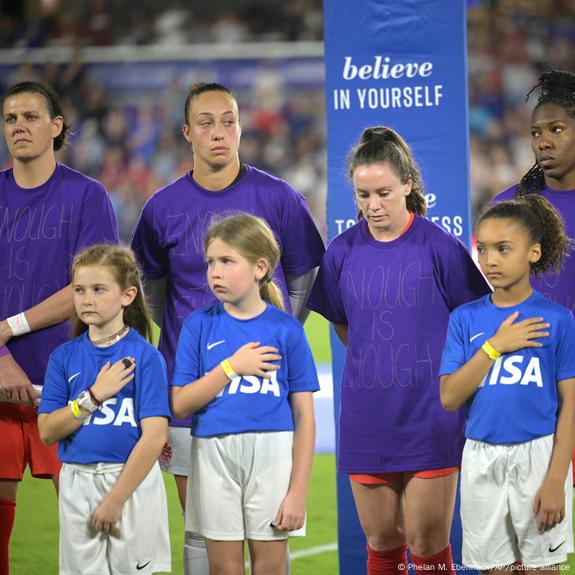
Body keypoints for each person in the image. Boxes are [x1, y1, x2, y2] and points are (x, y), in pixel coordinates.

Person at [130, 81, 324, 573]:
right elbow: (149, 290)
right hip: (188, 386)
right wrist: (191, 340)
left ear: (241, 127)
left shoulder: (279, 197)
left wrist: (276, 330)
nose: (220, 132)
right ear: (187, 132)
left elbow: (305, 275)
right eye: (207, 123)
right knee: (201, 531)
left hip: (262, 388)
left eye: (229, 121)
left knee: (266, 537)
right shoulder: (161, 207)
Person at [307, 126, 491, 575]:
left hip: (431, 418)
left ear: (408, 185)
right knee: (382, 542)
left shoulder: (441, 247)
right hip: (367, 419)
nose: (372, 205)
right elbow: (346, 327)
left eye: (384, 193)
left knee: (429, 545)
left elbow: (474, 325)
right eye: (363, 194)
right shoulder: (341, 253)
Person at [0, 81, 118, 574]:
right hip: (0, 386)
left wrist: (9, 328)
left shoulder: (87, 197)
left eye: (30, 117)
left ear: (56, 127)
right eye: (10, 119)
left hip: (70, 385)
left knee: (91, 530)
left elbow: (93, 289)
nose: (19, 127)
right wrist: (1, 355)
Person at [171, 213, 318, 575]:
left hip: (273, 454)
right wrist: (230, 367)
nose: (215, 272)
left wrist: (297, 492)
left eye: (227, 261)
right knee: (224, 570)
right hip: (212, 454)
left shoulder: (286, 330)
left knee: (270, 568)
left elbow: (305, 417)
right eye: (210, 262)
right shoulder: (198, 326)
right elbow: (180, 403)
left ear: (259, 268)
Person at [439, 195, 575, 571]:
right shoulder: (464, 320)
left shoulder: (558, 320)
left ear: (533, 252)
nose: (490, 260)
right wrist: (495, 346)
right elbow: (450, 397)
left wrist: (556, 481)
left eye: (503, 249)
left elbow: (570, 408)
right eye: (482, 249)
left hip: (540, 459)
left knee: (541, 569)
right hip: (481, 458)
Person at [37, 244, 172, 575]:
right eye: (80, 290)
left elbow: (154, 438)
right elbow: (48, 430)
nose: (87, 299)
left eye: (99, 290)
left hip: (131, 483)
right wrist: (94, 396)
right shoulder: (63, 357)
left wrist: (115, 500)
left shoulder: (147, 357)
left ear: (127, 296)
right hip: (77, 482)